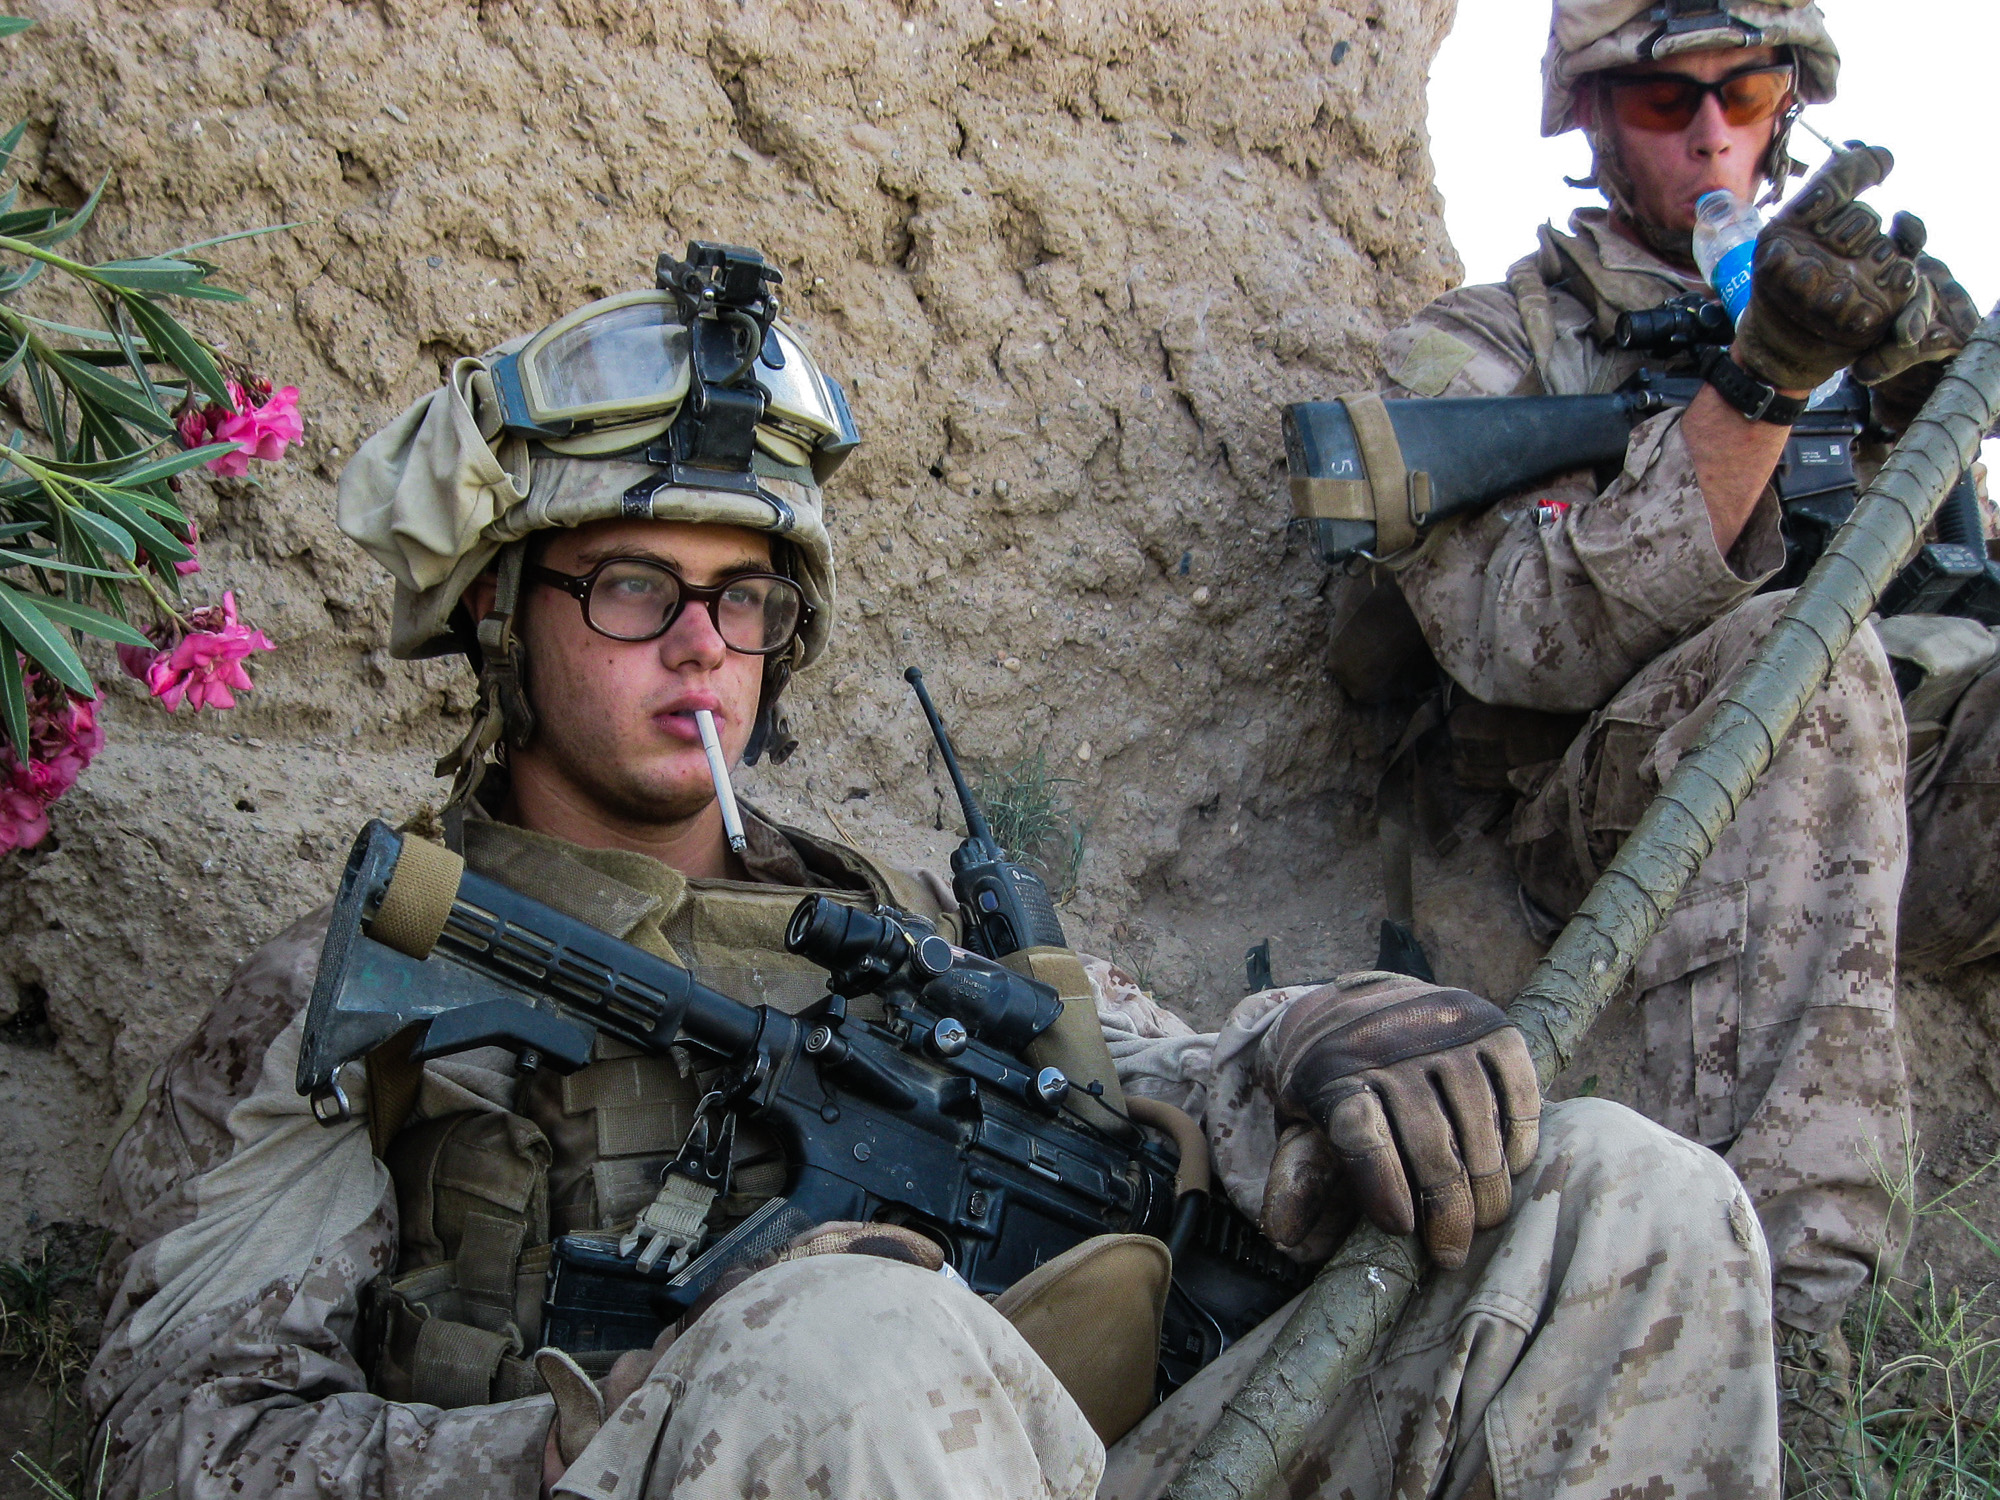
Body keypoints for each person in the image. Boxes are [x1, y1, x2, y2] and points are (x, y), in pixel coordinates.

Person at [87, 247, 1779, 1500]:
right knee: (847, 1347)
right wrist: (615, 1427)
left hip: (1099, 1453)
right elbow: (176, 1433)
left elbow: (1169, 1077)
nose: (699, 643)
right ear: (497, 621)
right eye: (628, 587)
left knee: (1624, 1193)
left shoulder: (883, 920)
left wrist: (1337, 1034)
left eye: (741, 599)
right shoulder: (388, 984)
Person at [1337, 0, 1988, 1489]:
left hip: (1898, 808)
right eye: (1660, 99)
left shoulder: (1861, 303)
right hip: (1602, 817)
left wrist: (1921, 399)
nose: (1709, 133)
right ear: (1585, 114)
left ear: (1795, 101)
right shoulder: (1488, 345)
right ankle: (1797, 1341)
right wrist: (1755, 386)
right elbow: (1519, 640)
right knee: (1794, 658)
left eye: (1746, 90)